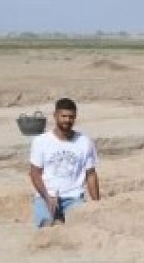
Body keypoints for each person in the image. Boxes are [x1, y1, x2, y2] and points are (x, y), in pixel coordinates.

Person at [28, 98, 100, 228]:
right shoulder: (41, 141)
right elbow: (34, 173)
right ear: (55, 116)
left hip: (74, 198)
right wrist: (47, 197)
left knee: (82, 226)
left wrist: (97, 204)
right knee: (46, 226)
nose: (67, 120)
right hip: (46, 196)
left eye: (71, 116)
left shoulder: (84, 142)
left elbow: (91, 174)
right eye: (64, 116)